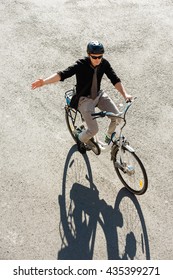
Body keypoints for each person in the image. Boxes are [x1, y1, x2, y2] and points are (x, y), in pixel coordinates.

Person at [32, 41, 132, 152]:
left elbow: (115, 79)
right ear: (89, 55)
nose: (98, 60)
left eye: (100, 57)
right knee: (93, 130)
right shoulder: (81, 64)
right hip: (84, 99)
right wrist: (44, 82)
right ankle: (80, 137)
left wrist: (125, 94)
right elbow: (62, 74)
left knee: (117, 117)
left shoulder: (104, 64)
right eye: (94, 57)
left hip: (98, 95)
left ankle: (109, 138)